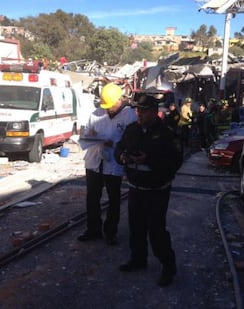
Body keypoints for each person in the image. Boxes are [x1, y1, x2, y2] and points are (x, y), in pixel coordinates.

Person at [114, 94, 183, 287]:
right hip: (136, 188)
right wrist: (123, 158)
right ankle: (138, 259)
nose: (139, 114)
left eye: (143, 111)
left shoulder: (167, 134)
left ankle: (168, 266)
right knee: (136, 227)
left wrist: (149, 160)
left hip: (156, 190)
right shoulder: (132, 130)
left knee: (156, 231)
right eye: (138, 110)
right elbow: (119, 149)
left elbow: (175, 162)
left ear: (154, 112)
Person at [78, 83, 137, 245]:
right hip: (95, 161)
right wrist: (89, 135)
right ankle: (93, 229)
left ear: (120, 99)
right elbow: (86, 132)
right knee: (92, 198)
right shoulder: (96, 114)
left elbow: (133, 140)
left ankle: (110, 232)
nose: (109, 109)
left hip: (114, 163)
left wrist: (117, 143)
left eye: (111, 105)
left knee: (114, 199)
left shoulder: (130, 116)